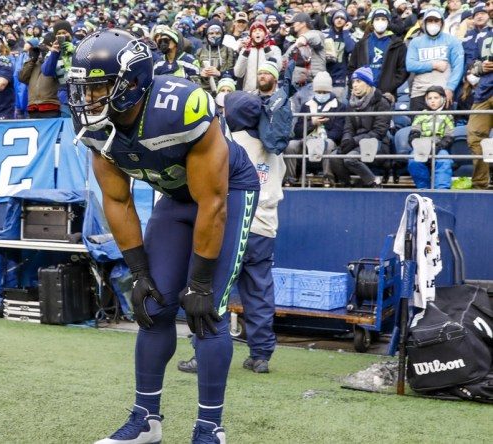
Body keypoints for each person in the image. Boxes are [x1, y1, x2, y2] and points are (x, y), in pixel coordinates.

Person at [67, 29, 260, 444]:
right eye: (83, 88)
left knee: (205, 312)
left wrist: (201, 280)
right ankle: (146, 421)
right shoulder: (98, 129)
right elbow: (117, 201)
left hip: (226, 191)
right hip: (174, 197)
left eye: (98, 86)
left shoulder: (181, 106)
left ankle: (210, 429)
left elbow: (212, 203)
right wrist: (139, 272)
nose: (88, 98)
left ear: (131, 82)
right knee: (152, 305)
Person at [178, 90, 284, 376]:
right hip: (265, 228)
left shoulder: (225, 142)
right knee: (260, 293)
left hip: (234, 224)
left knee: (212, 289)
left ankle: (204, 354)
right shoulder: (273, 145)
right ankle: (260, 356)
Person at [330, 66, 392, 188]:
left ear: (368, 83)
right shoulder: (351, 104)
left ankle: (373, 182)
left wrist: (354, 141)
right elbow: (348, 128)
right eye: (353, 82)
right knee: (333, 157)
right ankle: (348, 185)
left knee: (350, 159)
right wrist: (346, 141)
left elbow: (379, 132)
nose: (355, 85)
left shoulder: (382, 103)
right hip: (356, 143)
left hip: (377, 143)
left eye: (359, 81)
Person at [283, 71, 346, 187]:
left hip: (326, 140)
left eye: (325, 92)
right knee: (291, 146)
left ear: (330, 91)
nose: (321, 94)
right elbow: (297, 131)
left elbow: (338, 133)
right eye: (319, 92)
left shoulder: (339, 107)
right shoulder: (306, 106)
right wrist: (312, 123)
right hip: (306, 141)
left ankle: (328, 177)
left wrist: (322, 137)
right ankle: (289, 178)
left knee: (330, 144)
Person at [405, 8, 465, 111]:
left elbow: (458, 67)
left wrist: (450, 88)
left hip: (443, 91)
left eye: (436, 20)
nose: (433, 23)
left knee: (444, 126)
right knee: (417, 126)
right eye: (430, 20)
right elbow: (410, 65)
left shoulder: (452, 41)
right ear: (424, 23)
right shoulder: (415, 42)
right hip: (419, 91)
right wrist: (433, 65)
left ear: (441, 22)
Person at [347, 7, 408, 98]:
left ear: (388, 22)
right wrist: (358, 85)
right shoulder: (361, 44)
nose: (380, 21)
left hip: (386, 95)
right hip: (363, 94)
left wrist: (390, 86)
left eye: (383, 19)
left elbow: (403, 70)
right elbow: (352, 67)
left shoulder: (398, 44)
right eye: (377, 19)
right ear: (372, 22)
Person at [407, 86, 454, 189]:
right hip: (422, 148)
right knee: (413, 161)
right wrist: (418, 145)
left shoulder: (448, 116)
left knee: (443, 160)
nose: (432, 101)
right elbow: (413, 134)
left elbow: (449, 137)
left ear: (442, 99)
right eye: (430, 98)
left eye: (436, 98)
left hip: (439, 148)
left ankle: (442, 190)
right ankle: (424, 189)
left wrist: (438, 147)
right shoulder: (420, 115)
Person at [466, 15, 493, 189]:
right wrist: (479, 67)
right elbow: (471, 64)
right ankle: (480, 184)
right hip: (484, 91)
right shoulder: (482, 35)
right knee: (474, 138)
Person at [283, 12, 327, 112]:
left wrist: (304, 38)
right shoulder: (294, 44)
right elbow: (283, 60)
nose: (293, 25)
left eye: (295, 23)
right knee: (294, 120)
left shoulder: (317, 34)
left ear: (303, 23)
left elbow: (314, 38)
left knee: (310, 119)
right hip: (295, 86)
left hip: (312, 84)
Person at [233, 20, 283, 92]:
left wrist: (267, 49)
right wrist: (245, 53)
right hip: (249, 92)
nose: (257, 32)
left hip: (269, 91)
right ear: (251, 35)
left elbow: (278, 68)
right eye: (254, 31)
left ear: (265, 34)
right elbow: (238, 73)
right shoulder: (245, 50)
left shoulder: (274, 49)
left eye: (260, 30)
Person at [18, 35, 61, 119]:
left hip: (51, 105)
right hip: (33, 107)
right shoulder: (34, 63)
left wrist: (51, 57)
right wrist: (32, 59)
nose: (42, 49)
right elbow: (22, 77)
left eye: (45, 46)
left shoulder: (57, 61)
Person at [41, 20, 76, 117]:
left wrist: (75, 51)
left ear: (70, 33)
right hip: (65, 96)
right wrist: (54, 53)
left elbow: (89, 63)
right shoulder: (53, 52)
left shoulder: (80, 45)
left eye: (64, 32)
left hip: (83, 92)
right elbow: (46, 72)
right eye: (58, 33)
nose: (62, 35)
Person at [195, 19, 235, 93]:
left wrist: (219, 73)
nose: (214, 36)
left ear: (222, 34)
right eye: (211, 33)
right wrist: (201, 73)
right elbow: (193, 72)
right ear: (207, 35)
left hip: (223, 90)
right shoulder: (199, 52)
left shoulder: (229, 51)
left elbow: (234, 72)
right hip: (203, 90)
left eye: (217, 33)